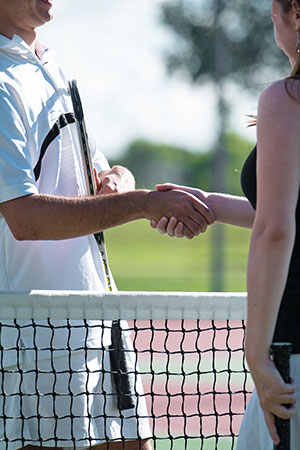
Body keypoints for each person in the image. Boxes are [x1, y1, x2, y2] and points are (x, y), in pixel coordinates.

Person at [0, 1, 215, 449]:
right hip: (41, 338)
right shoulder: (2, 82)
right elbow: (25, 217)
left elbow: (100, 176)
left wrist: (121, 181)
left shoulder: (49, 67)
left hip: (102, 323)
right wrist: (139, 205)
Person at [151, 1, 300, 448]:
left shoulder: (285, 99)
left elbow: (276, 229)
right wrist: (212, 206)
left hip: (289, 362)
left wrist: (257, 357)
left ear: (296, 12)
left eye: (275, 6)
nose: (270, 15)